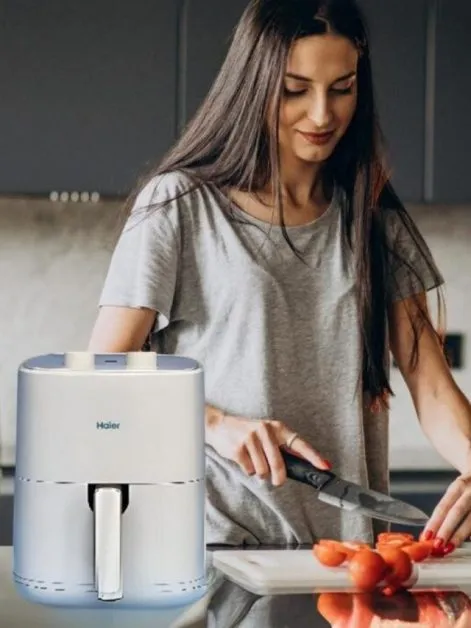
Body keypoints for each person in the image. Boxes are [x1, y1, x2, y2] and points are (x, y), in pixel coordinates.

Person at [88, 0, 471, 552]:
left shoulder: (372, 216)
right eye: (295, 89)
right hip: (214, 549)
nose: (321, 115)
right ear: (254, 84)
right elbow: (104, 372)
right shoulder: (181, 206)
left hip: (348, 555)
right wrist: (216, 423)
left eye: (342, 88)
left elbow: (432, 386)